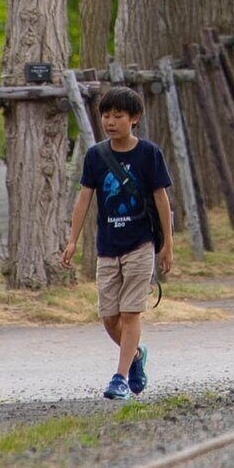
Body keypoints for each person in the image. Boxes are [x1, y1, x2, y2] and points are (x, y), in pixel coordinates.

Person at [72, 84, 178, 398]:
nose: (110, 121)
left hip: (140, 244)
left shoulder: (148, 154)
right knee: (109, 316)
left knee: (131, 312)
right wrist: (72, 241)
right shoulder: (95, 156)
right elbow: (84, 199)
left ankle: (119, 378)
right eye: (105, 115)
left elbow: (161, 200)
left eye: (118, 115)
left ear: (134, 118)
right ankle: (136, 356)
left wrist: (167, 245)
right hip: (107, 247)